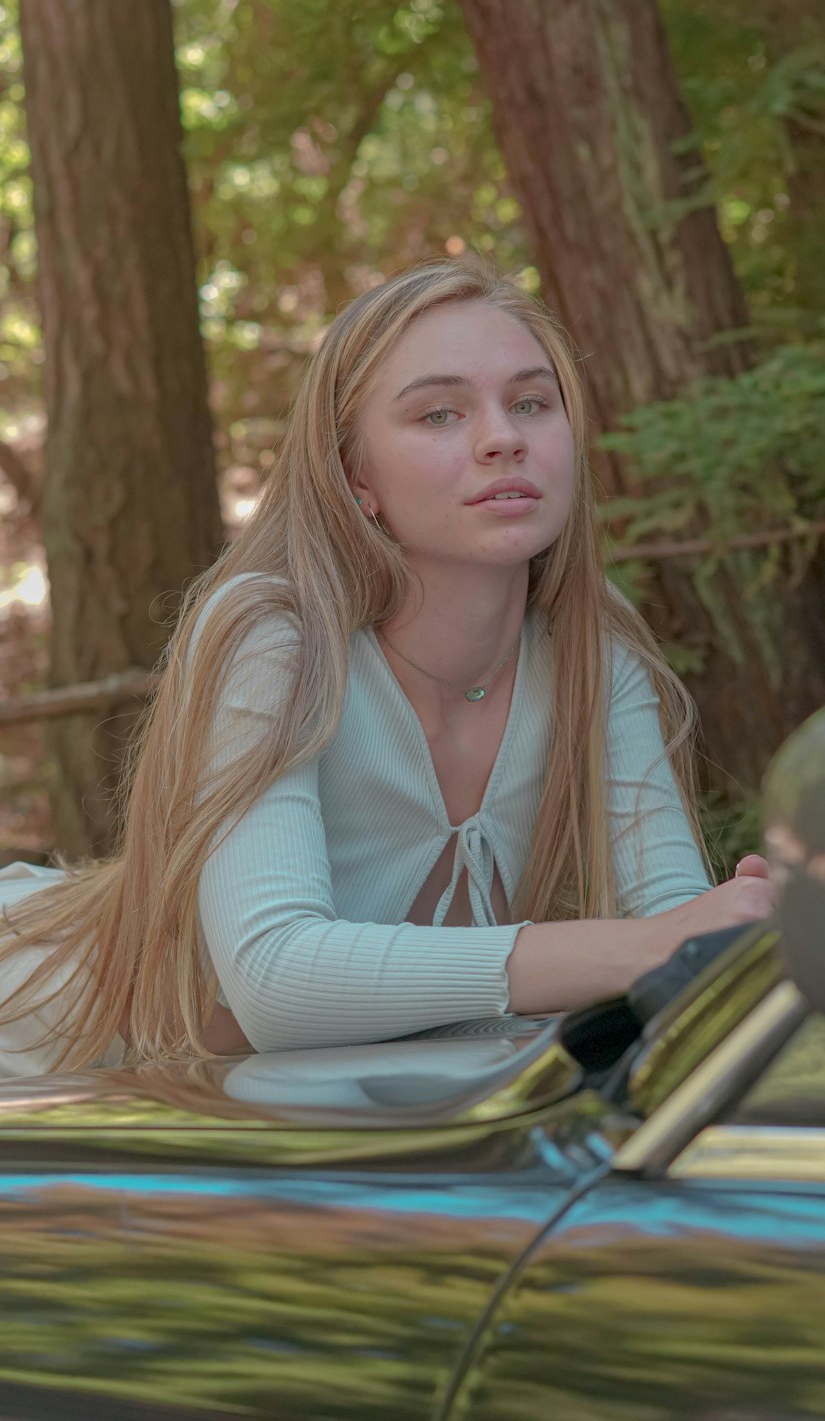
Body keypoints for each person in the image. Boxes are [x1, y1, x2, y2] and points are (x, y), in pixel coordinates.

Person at [0, 260, 772, 1076]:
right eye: (440, 413)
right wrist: (640, 949)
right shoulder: (276, 634)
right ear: (355, 476)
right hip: (44, 1051)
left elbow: (678, 942)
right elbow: (275, 981)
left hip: (307, 1112)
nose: (502, 436)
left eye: (532, 403)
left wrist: (743, 929)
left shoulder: (592, 648)